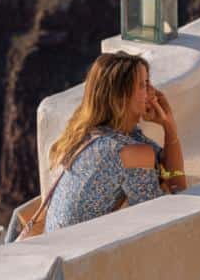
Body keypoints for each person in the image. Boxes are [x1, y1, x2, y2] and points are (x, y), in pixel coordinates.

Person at [42, 51, 188, 231]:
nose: (152, 93)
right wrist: (170, 128)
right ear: (121, 98)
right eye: (143, 85)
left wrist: (169, 126)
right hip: (78, 255)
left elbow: (169, 173)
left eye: (148, 83)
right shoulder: (127, 151)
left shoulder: (96, 135)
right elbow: (175, 194)